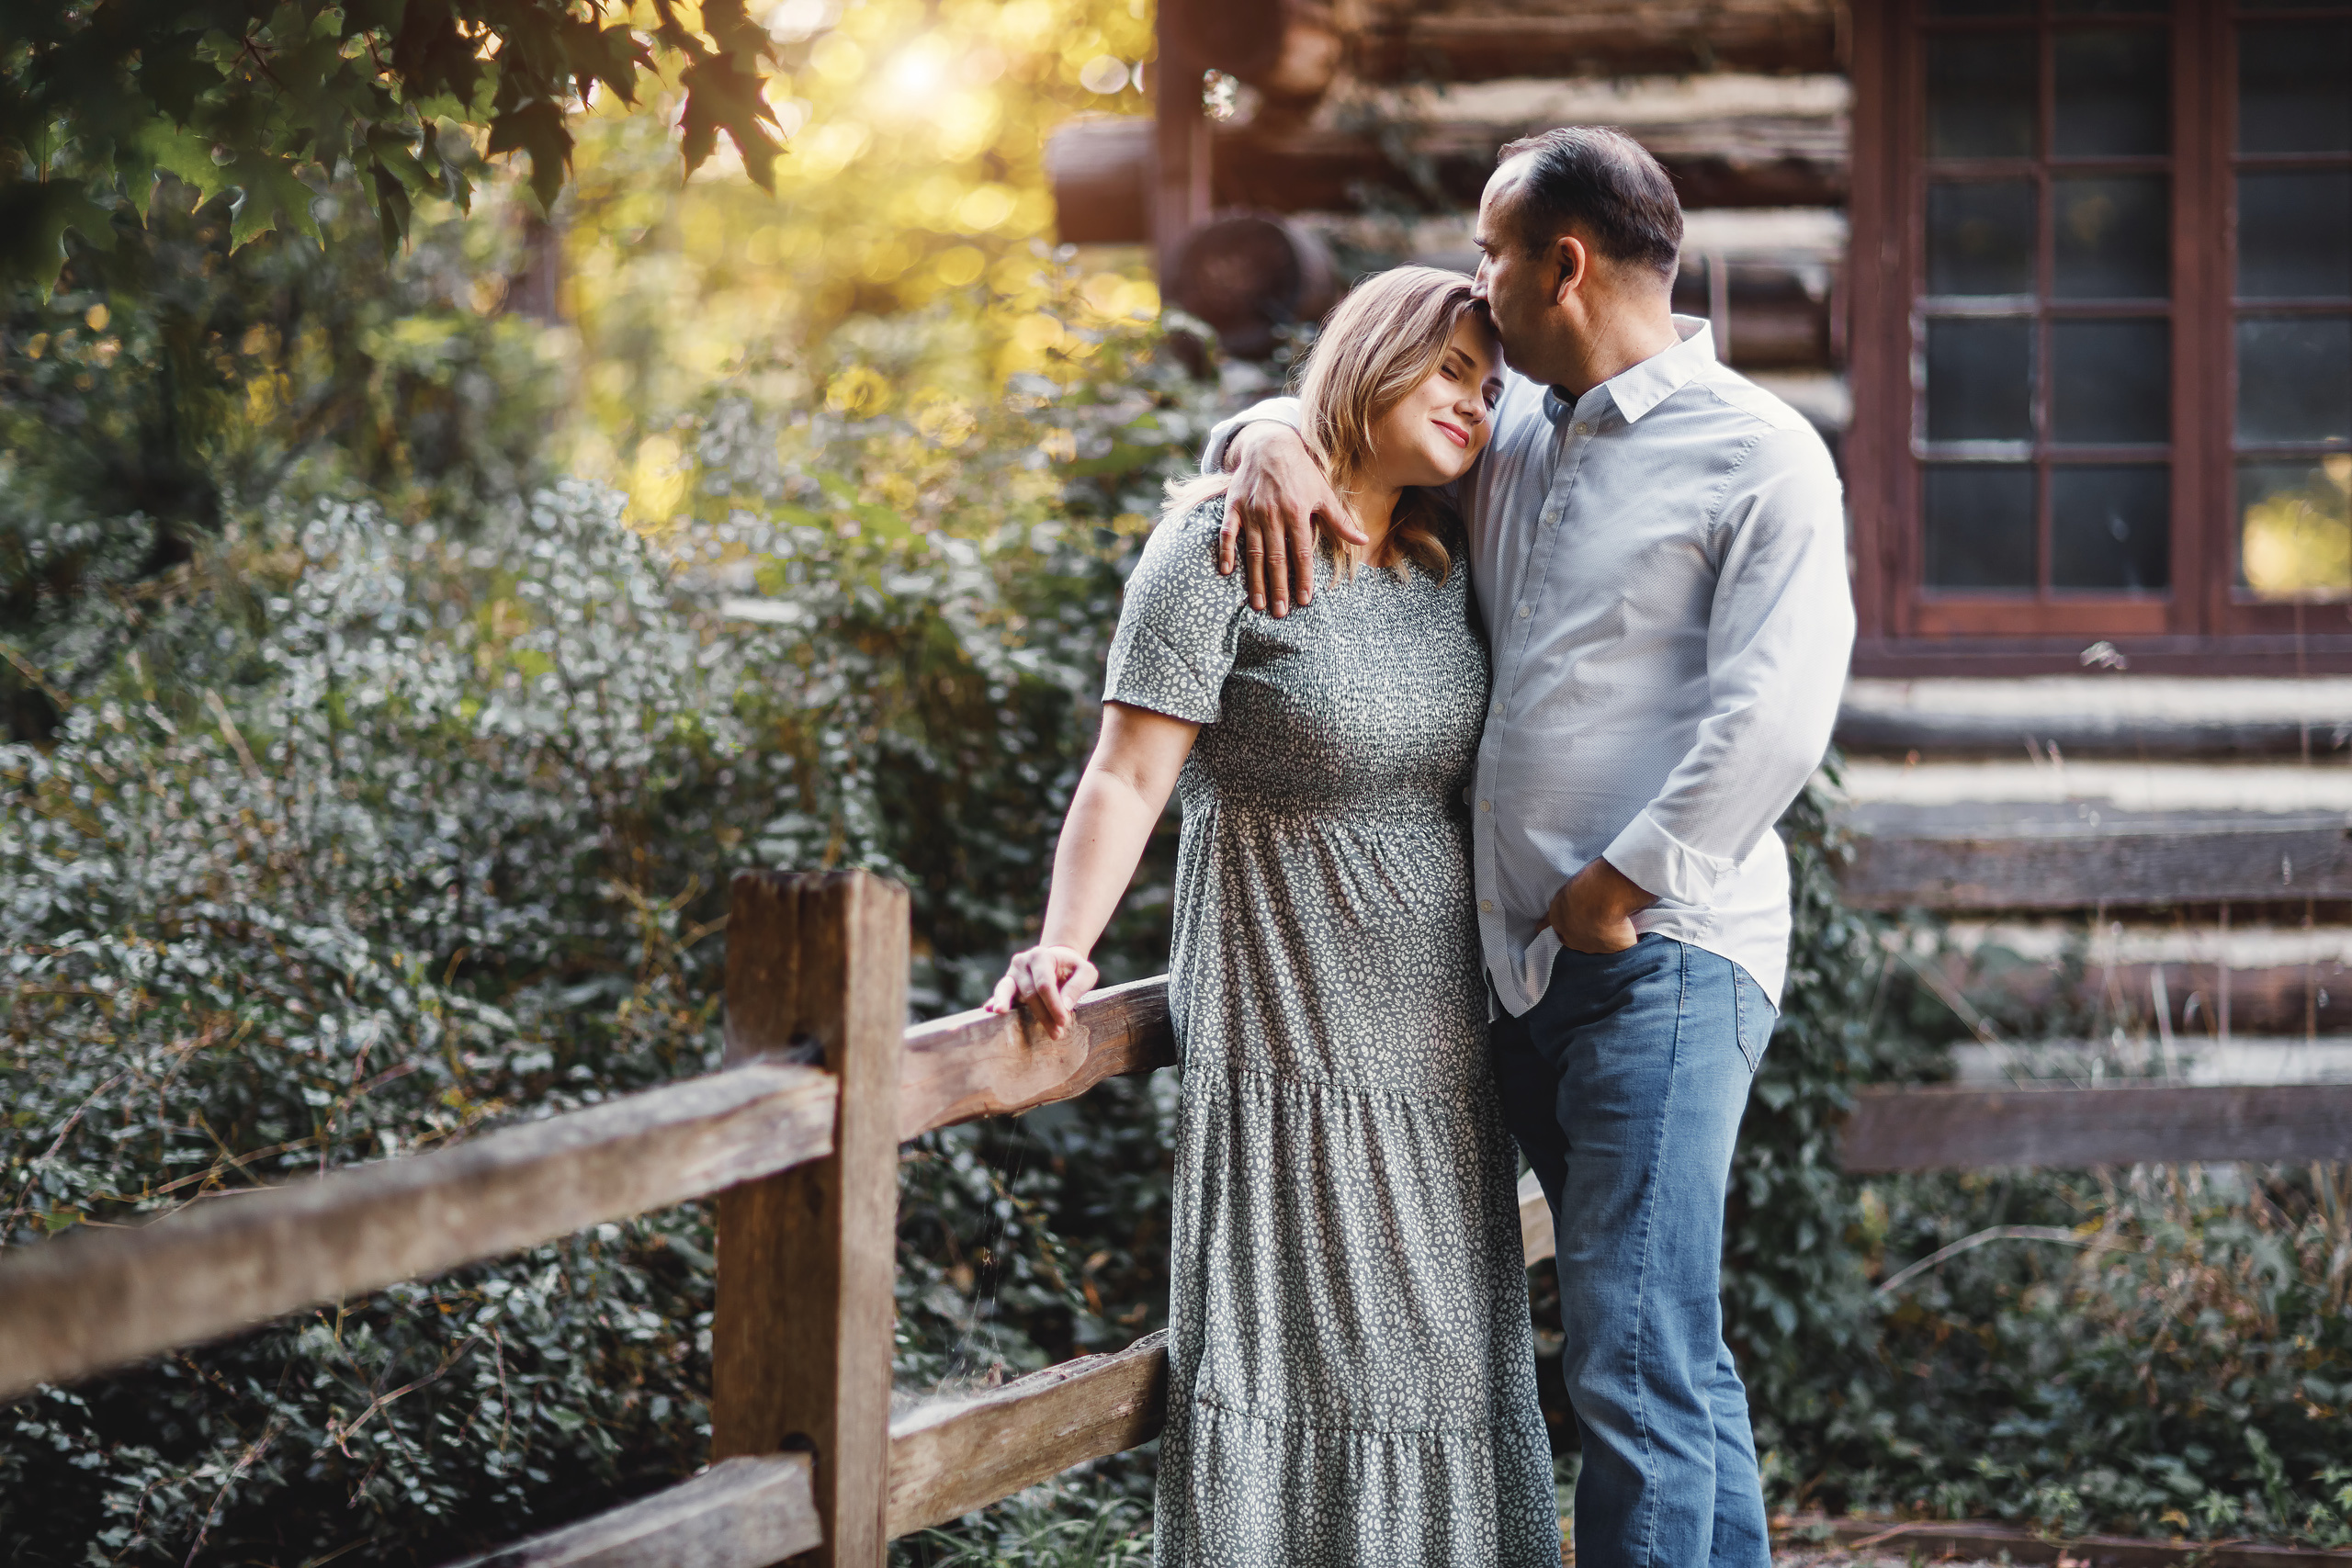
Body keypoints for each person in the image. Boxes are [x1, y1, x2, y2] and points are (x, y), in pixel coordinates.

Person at [1208, 128, 1856, 1568]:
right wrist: (1252, 436)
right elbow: (1351, 412)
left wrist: (1617, 891)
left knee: (1628, 1359)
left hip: (1664, 959)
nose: (1475, 280)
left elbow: (1781, 710)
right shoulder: (1509, 432)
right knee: (1660, 1345)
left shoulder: (1760, 456)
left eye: (1492, 253)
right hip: (1522, 980)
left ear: (1562, 263)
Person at [986, 265, 1559, 1567]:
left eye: (1491, 382)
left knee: (1445, 1372)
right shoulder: (1217, 549)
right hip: (1290, 1028)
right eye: (1452, 371)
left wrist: (1264, 428)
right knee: (1314, 1369)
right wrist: (1064, 940)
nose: (1476, 404)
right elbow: (1129, 772)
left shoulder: (1441, 558)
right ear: (1373, 358)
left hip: (1433, 1042)